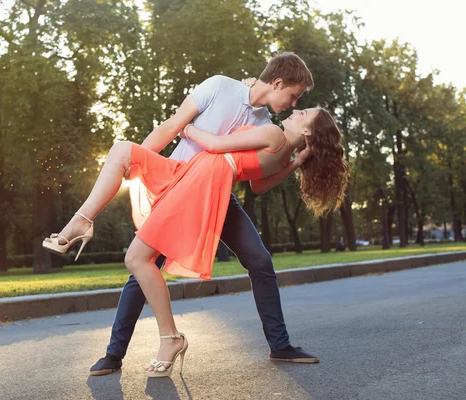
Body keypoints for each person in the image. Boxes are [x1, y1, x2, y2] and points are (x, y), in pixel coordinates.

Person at [43, 103, 350, 377]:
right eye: (298, 103)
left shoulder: (274, 134)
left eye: (304, 112)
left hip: (203, 183)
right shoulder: (278, 144)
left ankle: (264, 344)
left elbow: (216, 145)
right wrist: (297, 162)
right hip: (195, 176)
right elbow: (258, 186)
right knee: (124, 155)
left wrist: (186, 126)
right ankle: (115, 347)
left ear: (308, 130)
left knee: (141, 259)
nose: (296, 109)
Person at [85, 53, 320, 376]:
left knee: (260, 262)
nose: (293, 105)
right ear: (277, 82)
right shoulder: (221, 87)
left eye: (298, 102)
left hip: (219, 197)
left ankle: (280, 345)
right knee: (145, 263)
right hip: (181, 188)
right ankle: (114, 354)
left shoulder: (266, 125)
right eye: (293, 96)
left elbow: (255, 185)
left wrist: (294, 162)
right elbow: (171, 127)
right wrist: (142, 162)